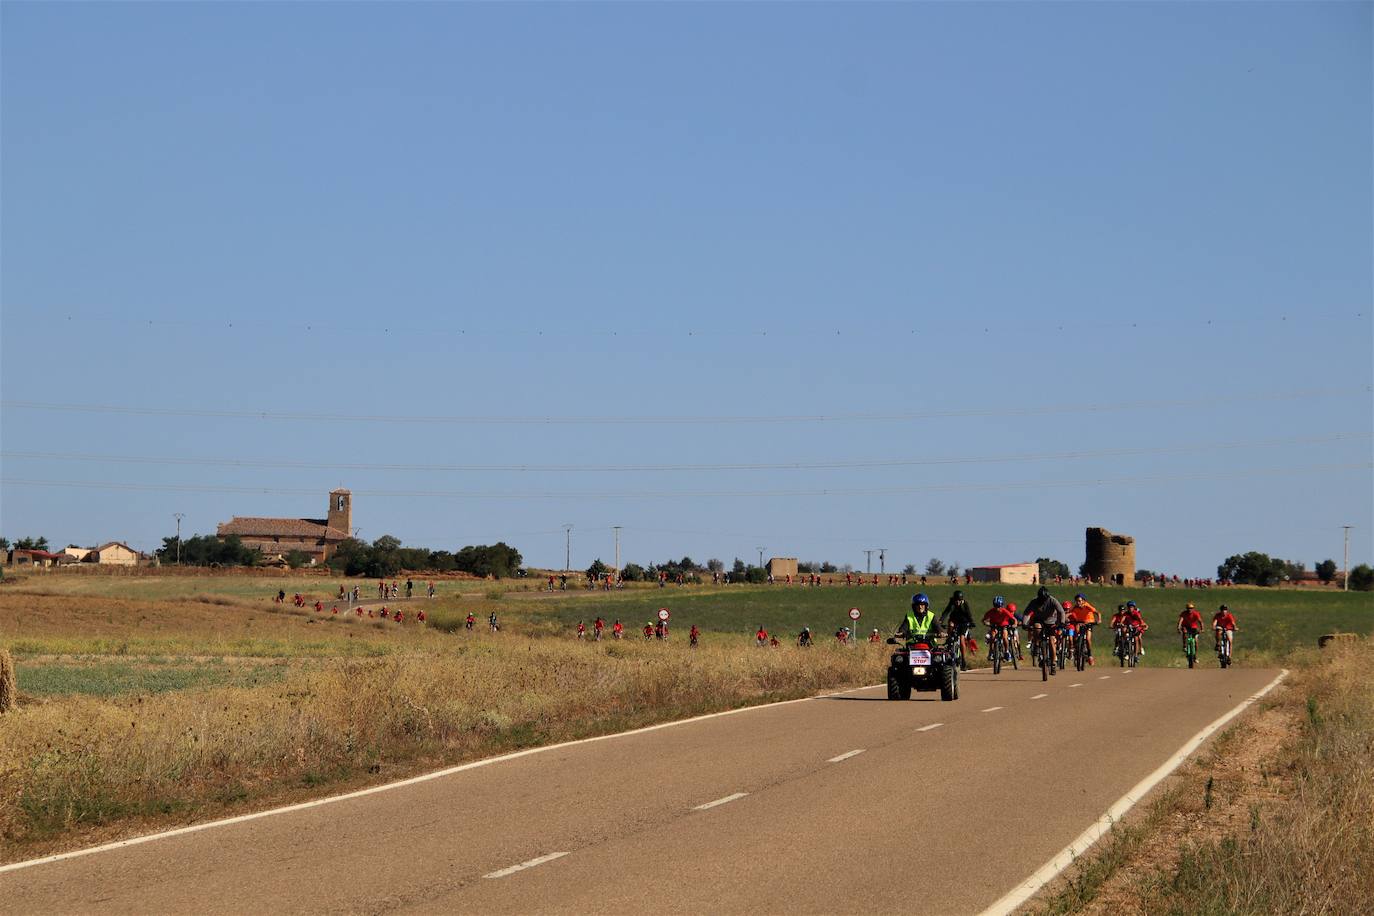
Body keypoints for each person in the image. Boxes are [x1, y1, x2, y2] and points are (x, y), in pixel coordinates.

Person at [1023, 587, 1066, 672]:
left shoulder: (1053, 600)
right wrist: (1024, 623)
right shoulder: (1034, 601)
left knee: (1051, 641)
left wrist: (1062, 622)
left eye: (1044, 599)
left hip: (1051, 621)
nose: (1043, 601)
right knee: (1037, 627)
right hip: (1038, 619)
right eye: (1041, 599)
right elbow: (1027, 613)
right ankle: (1036, 645)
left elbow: (1061, 612)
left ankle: (1053, 663)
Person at [941, 590, 977, 667]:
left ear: (961, 600)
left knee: (961, 639)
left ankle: (963, 659)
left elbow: (969, 614)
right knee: (950, 624)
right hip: (954, 620)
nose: (957, 602)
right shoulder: (951, 603)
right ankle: (949, 639)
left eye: (959, 600)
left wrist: (971, 622)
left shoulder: (965, 604)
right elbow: (946, 612)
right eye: (956, 600)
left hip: (964, 622)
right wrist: (941, 620)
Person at [1066, 594, 1101, 664]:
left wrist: (1099, 620)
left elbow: (1097, 613)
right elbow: (1069, 613)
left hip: (1089, 622)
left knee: (1088, 639)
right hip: (1080, 622)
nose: (1078, 602)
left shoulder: (1087, 605)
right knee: (1076, 636)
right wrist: (1065, 618)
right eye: (1077, 601)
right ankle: (1076, 650)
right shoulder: (1075, 607)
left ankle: (1090, 655)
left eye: (1079, 601)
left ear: (1083, 601)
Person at [982, 596, 1016, 660]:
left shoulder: (1004, 611)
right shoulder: (991, 611)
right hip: (994, 625)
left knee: (1004, 636)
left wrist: (1014, 624)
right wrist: (986, 623)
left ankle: (1007, 651)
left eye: (999, 606)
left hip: (1003, 625)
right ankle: (991, 652)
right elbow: (984, 619)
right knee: (992, 636)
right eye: (995, 606)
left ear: (1002, 606)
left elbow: (1013, 618)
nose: (997, 609)